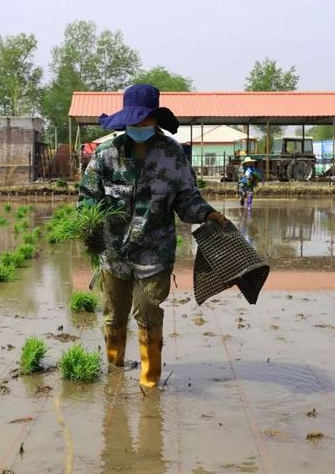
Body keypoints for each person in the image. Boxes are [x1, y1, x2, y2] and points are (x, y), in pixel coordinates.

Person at [79, 84, 227, 388]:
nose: (140, 127)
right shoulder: (106, 155)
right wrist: (89, 226)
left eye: (145, 121)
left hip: (154, 253)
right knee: (114, 315)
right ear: (125, 122)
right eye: (134, 122)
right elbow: (87, 198)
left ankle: (150, 382)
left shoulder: (172, 154)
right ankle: (115, 372)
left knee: (148, 314)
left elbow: (186, 198)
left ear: (155, 120)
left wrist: (208, 213)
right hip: (114, 252)